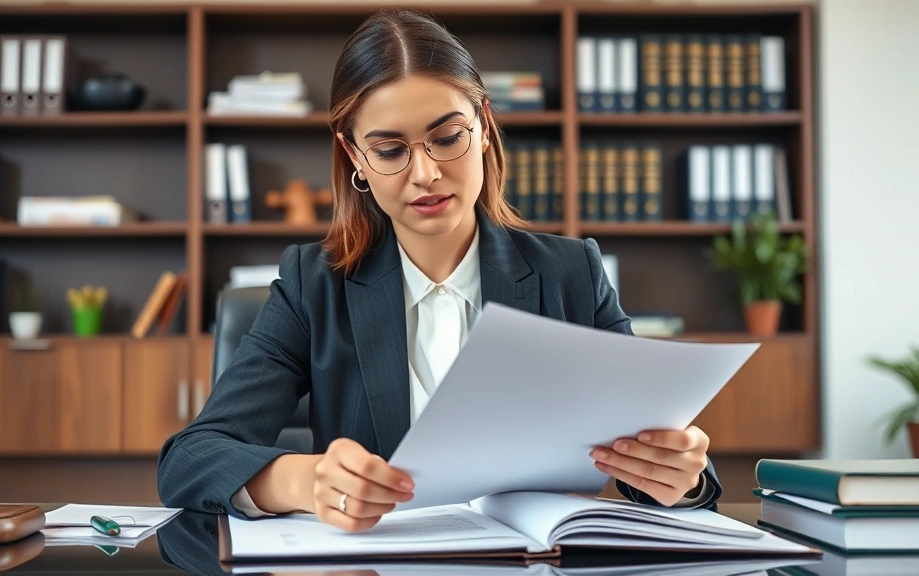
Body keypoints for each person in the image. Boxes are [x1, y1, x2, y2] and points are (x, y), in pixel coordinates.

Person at [158, 8, 721, 533]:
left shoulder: (573, 274)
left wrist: (681, 476)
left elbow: (658, 460)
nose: (425, 173)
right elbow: (191, 458)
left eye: (446, 138)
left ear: (483, 127)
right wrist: (302, 480)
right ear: (354, 156)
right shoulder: (315, 286)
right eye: (389, 150)